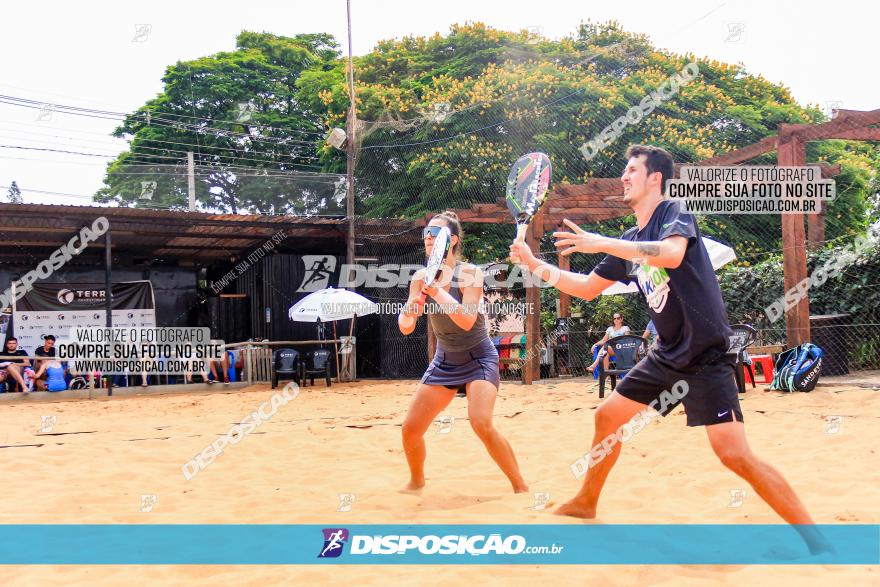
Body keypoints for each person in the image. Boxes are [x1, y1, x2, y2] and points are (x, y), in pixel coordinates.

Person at [510, 144, 831, 554]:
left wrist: (600, 242)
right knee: (607, 416)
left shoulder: (672, 211)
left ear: (654, 178)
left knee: (734, 455)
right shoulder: (629, 238)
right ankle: (586, 502)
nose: (624, 176)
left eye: (631, 170)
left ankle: (817, 540)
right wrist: (534, 264)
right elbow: (587, 289)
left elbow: (673, 254)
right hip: (665, 353)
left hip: (706, 357)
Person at [398, 211, 528, 494]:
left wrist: (436, 293)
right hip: (445, 360)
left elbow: (467, 319)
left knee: (480, 422)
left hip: (479, 356)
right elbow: (406, 327)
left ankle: (520, 486)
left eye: (437, 233)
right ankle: (417, 480)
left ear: (452, 240)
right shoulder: (421, 277)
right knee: (410, 430)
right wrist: (408, 314)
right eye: (426, 234)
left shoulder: (470, 273)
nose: (429, 238)